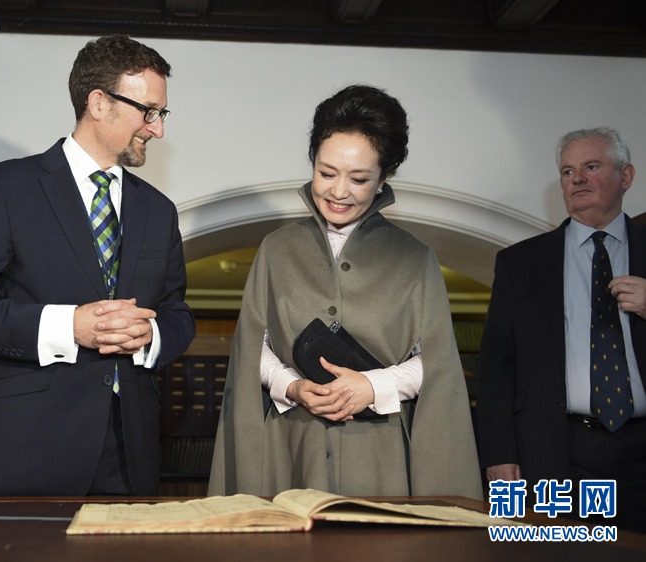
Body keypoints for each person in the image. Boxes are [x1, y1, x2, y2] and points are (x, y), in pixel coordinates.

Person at [0, 34, 195, 496]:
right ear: (99, 102)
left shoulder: (159, 210)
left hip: (129, 455)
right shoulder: (8, 186)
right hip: (29, 448)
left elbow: (178, 312)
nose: (157, 129)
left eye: (161, 114)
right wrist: (68, 326)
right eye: (148, 112)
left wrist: (150, 335)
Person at [208, 85, 482, 499]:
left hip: (381, 458)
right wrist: (291, 386)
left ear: (383, 179)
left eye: (358, 179)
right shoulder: (277, 250)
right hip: (291, 449)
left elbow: (436, 364)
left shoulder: (415, 258)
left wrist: (372, 387)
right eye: (326, 173)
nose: (338, 192)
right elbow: (253, 350)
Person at [476, 127, 646, 532]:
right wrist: (498, 457)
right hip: (551, 454)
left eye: (591, 166)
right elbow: (496, 369)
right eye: (568, 172)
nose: (577, 179)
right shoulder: (519, 263)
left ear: (626, 176)